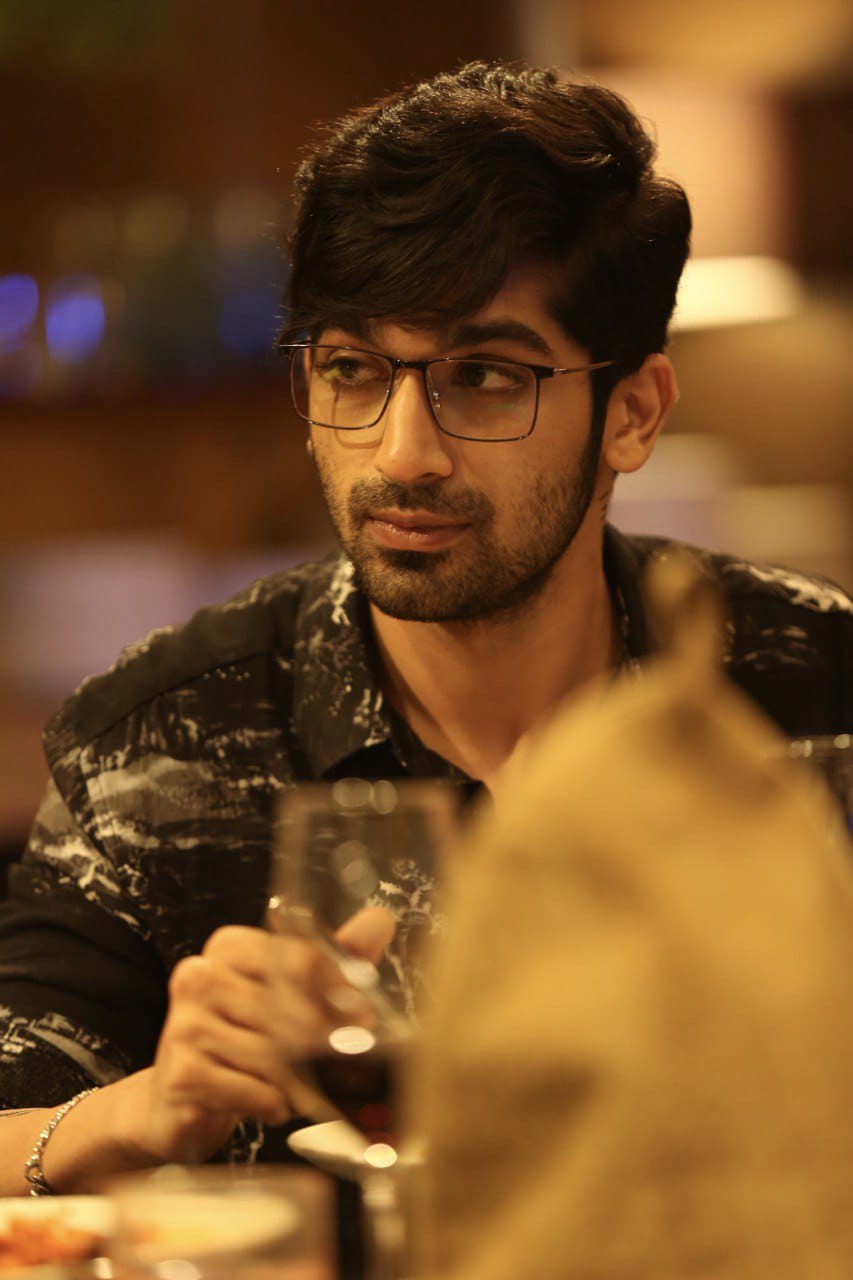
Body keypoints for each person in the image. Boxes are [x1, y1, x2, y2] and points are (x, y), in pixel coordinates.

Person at [0, 58, 850, 1209]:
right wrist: (138, 1109)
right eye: (352, 370)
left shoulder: (816, 690)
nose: (400, 452)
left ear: (633, 412)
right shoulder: (159, 744)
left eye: (484, 376)